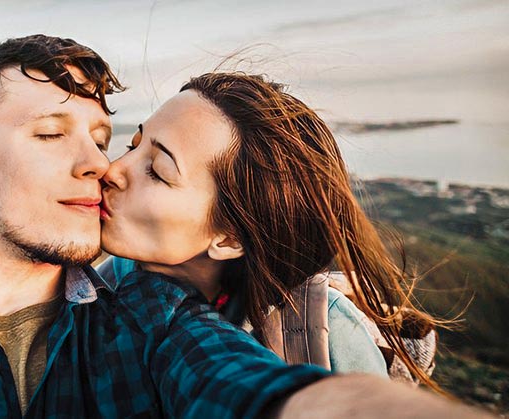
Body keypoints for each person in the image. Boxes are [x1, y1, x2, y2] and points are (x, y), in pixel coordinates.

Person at [0, 35, 488, 418]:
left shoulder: (154, 323)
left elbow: (281, 397)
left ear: (227, 237)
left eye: (105, 139)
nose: (99, 165)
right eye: (51, 135)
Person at [98, 72, 438, 386]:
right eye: (133, 146)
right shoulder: (103, 287)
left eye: (157, 170)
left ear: (230, 238)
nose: (111, 169)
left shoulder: (325, 338)